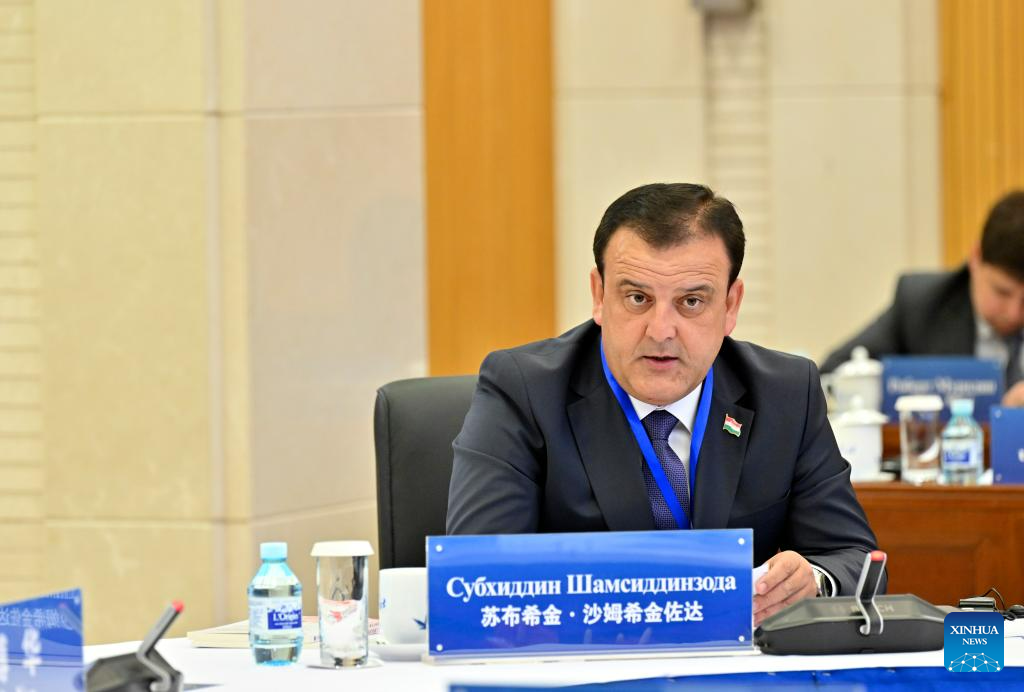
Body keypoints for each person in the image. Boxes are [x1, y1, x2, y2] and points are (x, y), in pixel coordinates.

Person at [446, 182, 881, 626]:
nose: (660, 331)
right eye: (638, 298)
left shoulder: (785, 393)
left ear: (731, 305)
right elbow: (475, 574)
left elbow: (855, 559)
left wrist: (814, 580)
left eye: (691, 302)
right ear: (599, 296)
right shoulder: (524, 391)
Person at [820, 190, 1024, 406]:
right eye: (1002, 292)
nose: (1014, 313)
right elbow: (829, 375)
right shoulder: (924, 304)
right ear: (975, 258)